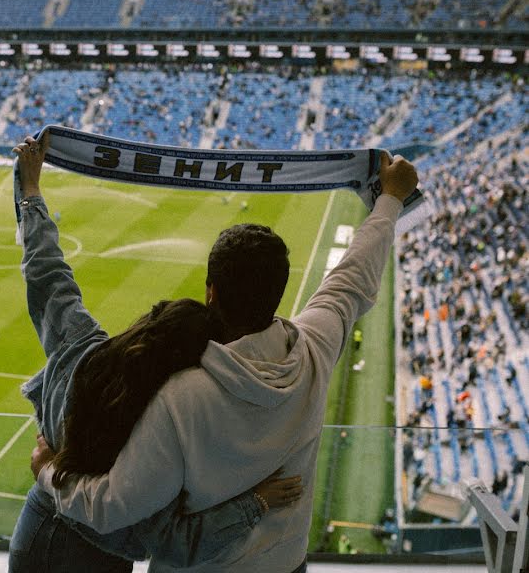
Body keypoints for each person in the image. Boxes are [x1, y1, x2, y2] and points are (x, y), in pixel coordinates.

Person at [32, 151, 419, 572]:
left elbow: (111, 505)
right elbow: (353, 278)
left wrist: (48, 473)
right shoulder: (313, 350)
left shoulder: (179, 398)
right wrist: (391, 199)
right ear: (277, 292)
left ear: (211, 292)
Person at [10, 134, 303, 572]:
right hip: (92, 553)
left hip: (41, 531)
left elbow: (48, 274)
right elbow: (174, 541)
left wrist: (30, 188)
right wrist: (255, 503)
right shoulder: (166, 418)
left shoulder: (86, 356)